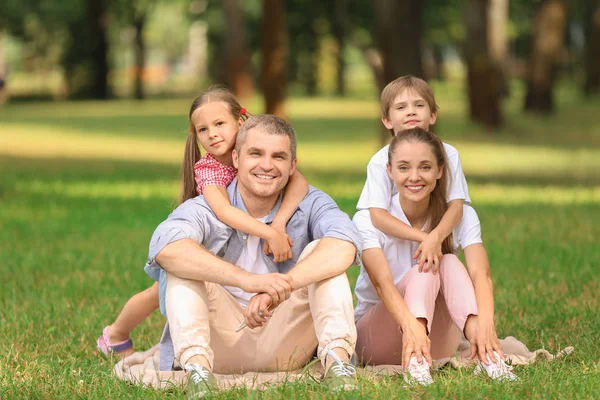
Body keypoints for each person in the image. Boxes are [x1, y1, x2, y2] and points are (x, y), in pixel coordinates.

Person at [145, 114, 361, 397]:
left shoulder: (311, 203)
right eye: (256, 153)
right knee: (184, 263)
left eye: (279, 156)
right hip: (220, 344)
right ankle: (197, 373)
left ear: (292, 165)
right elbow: (166, 247)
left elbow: (345, 243)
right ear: (235, 158)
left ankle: (338, 365)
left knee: (320, 254)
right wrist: (249, 282)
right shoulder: (210, 206)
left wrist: (277, 290)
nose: (267, 165)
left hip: (287, 341)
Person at [97, 87, 308, 357]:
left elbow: (298, 180)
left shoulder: (256, 153)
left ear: (240, 122)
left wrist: (278, 224)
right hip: (209, 245)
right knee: (156, 292)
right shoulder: (210, 169)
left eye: (220, 124)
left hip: (235, 246)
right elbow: (224, 212)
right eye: (203, 130)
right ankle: (115, 334)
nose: (213, 134)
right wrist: (268, 234)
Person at [353, 128, 517, 384]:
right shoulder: (367, 219)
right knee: (425, 270)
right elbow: (381, 283)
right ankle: (416, 362)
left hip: (438, 341)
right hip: (377, 339)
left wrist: (486, 325)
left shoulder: (460, 216)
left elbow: (480, 274)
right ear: (389, 171)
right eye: (404, 167)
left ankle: (487, 354)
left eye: (425, 167)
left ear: (440, 171)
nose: (415, 177)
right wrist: (411, 327)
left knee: (448, 261)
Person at [357, 75, 469, 274]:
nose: (411, 112)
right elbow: (378, 215)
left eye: (419, 105)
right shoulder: (378, 162)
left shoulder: (449, 155)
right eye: (401, 107)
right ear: (387, 120)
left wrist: (435, 237)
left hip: (436, 241)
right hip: (394, 251)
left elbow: (456, 206)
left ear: (433, 115)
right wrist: (423, 237)